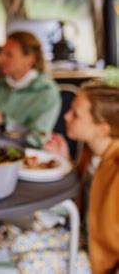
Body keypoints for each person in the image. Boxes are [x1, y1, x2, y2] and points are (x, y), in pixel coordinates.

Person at [44, 82, 119, 273]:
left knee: (28, 262)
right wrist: (65, 159)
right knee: (19, 240)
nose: (66, 116)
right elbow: (83, 193)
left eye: (75, 114)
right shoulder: (91, 150)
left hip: (102, 262)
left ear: (102, 128)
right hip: (84, 236)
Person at [0, 31, 61, 146]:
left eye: (9, 55)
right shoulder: (0, 82)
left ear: (30, 59)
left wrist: (5, 122)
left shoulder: (47, 93)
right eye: (2, 53)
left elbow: (38, 139)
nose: (1, 58)